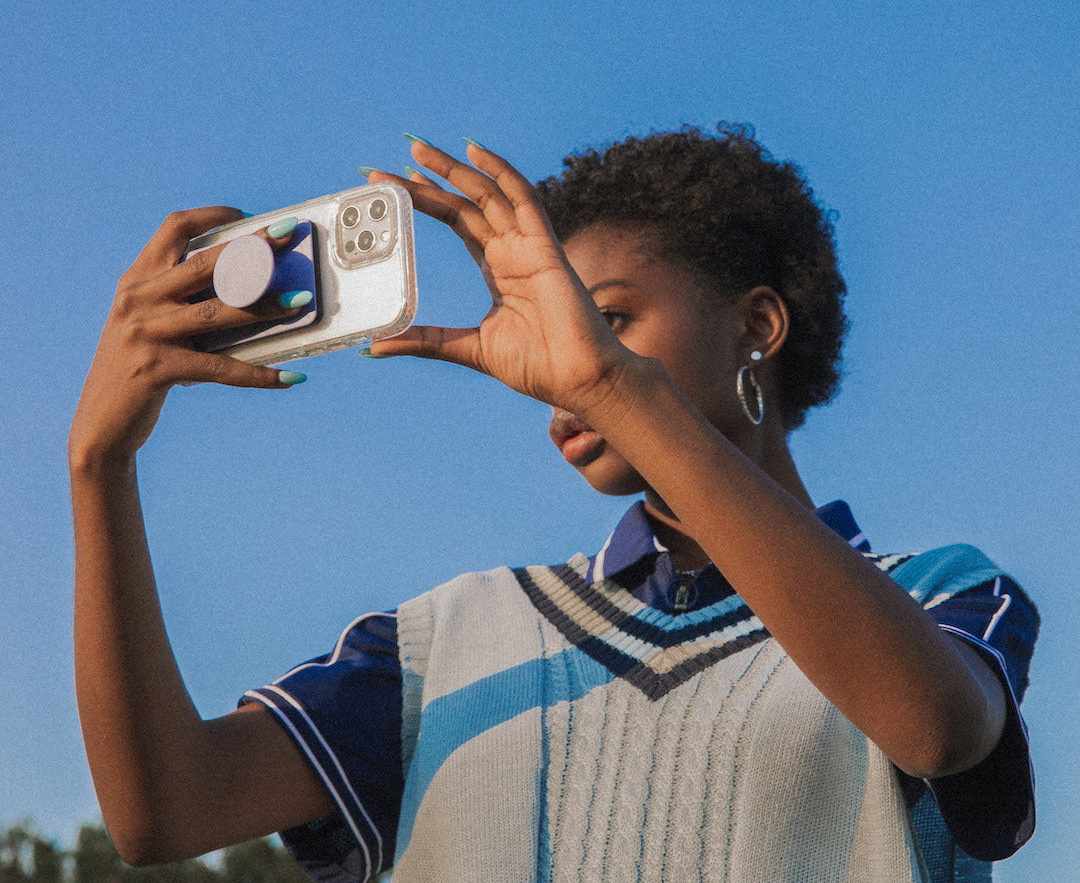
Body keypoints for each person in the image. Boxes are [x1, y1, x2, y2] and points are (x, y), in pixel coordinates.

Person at [69, 124, 1037, 883]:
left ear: (758, 326)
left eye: (606, 318)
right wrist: (98, 469)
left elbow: (936, 730)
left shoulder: (939, 593)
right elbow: (164, 810)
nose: (571, 361)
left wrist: (615, 386)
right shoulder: (440, 644)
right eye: (559, 327)